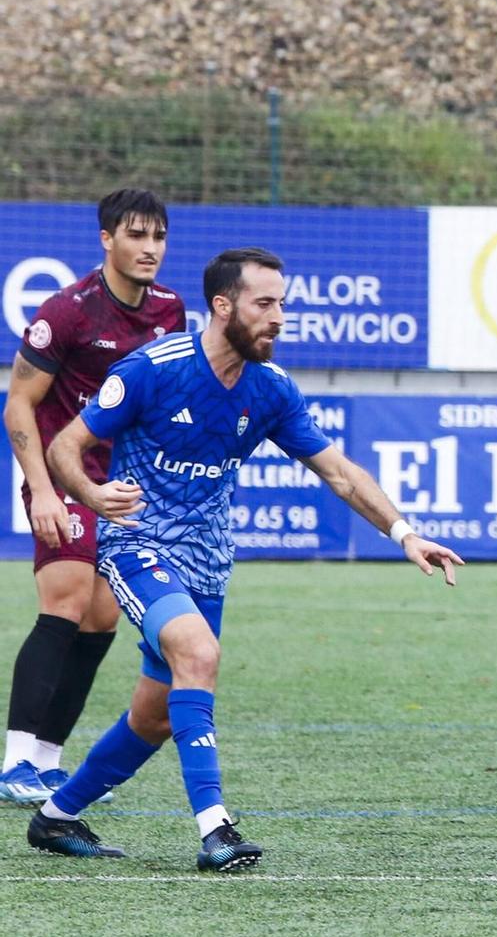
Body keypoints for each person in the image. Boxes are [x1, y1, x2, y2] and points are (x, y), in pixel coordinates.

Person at [26, 246, 464, 871]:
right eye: (265, 304)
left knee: (154, 718)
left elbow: (339, 473)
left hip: (208, 564)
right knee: (198, 654)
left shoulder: (271, 389)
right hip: (137, 545)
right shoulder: (152, 369)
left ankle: (56, 816)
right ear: (222, 306)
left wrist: (404, 533)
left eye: (283, 303)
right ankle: (216, 830)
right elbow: (68, 444)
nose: (279, 316)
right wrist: (92, 493)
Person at [3, 189, 185, 806]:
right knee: (67, 599)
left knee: (103, 617)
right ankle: (15, 759)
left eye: (158, 237)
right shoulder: (69, 311)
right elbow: (19, 403)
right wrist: (45, 493)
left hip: (124, 486)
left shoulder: (170, 311)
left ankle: (49, 762)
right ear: (107, 239)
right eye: (137, 235)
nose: (150, 248)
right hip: (62, 475)